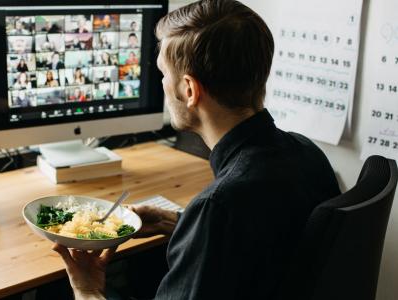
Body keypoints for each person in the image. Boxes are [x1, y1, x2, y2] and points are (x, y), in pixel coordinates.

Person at [52, 1, 341, 299]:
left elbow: (230, 220)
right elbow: (267, 244)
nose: (163, 83)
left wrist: (86, 288)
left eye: (164, 74)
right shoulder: (308, 153)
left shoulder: (219, 206)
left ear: (189, 90)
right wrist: (175, 222)